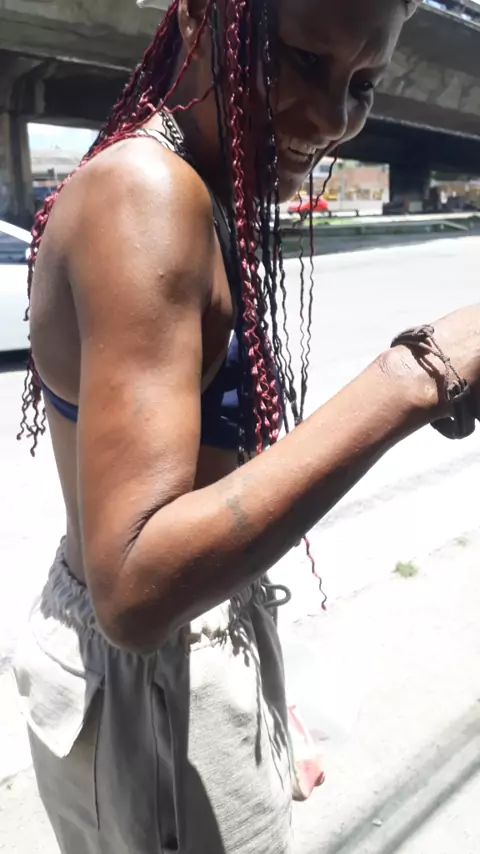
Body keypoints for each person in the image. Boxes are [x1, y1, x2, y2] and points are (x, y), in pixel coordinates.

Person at [13, 0, 480, 851]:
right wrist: (418, 378)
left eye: (363, 85)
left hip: (171, 671)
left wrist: (255, 679)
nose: (333, 118)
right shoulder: (147, 195)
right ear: (200, 18)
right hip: (156, 690)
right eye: (303, 62)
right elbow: (136, 588)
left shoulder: (188, 180)